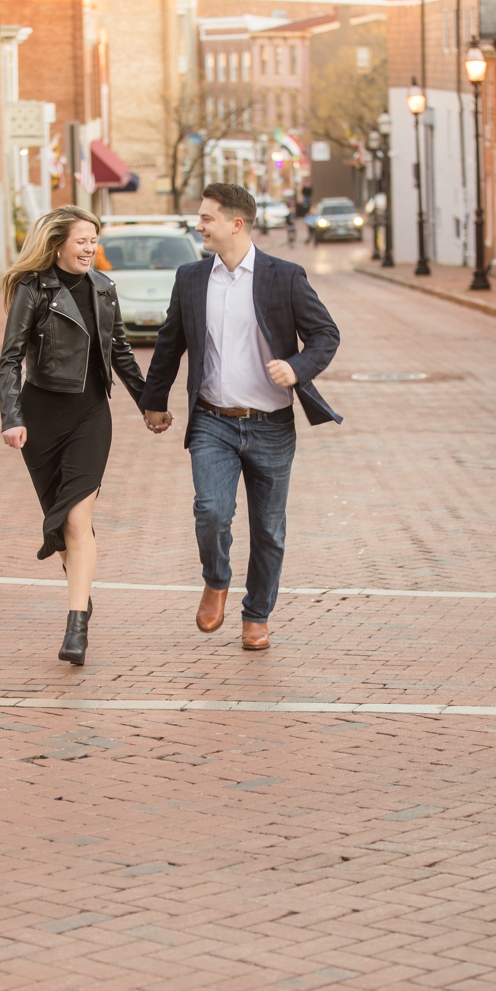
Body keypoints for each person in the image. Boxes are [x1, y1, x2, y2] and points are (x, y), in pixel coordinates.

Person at [139, 183, 342, 650]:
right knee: (211, 511)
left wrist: (297, 367)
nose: (198, 225)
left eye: (206, 218)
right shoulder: (190, 277)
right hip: (213, 419)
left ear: (236, 224)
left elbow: (325, 335)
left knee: (269, 529)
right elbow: (171, 342)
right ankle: (216, 578)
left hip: (271, 424)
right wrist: (155, 399)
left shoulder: (283, 276)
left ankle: (256, 614)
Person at [0, 206, 150, 667]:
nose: (90, 249)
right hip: (42, 419)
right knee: (63, 527)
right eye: (82, 240)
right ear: (58, 243)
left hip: (90, 416)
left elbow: (120, 351)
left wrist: (150, 404)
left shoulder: (104, 289)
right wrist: (12, 417)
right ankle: (81, 591)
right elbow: (10, 359)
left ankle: (75, 624)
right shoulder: (33, 288)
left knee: (77, 520)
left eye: (94, 240)